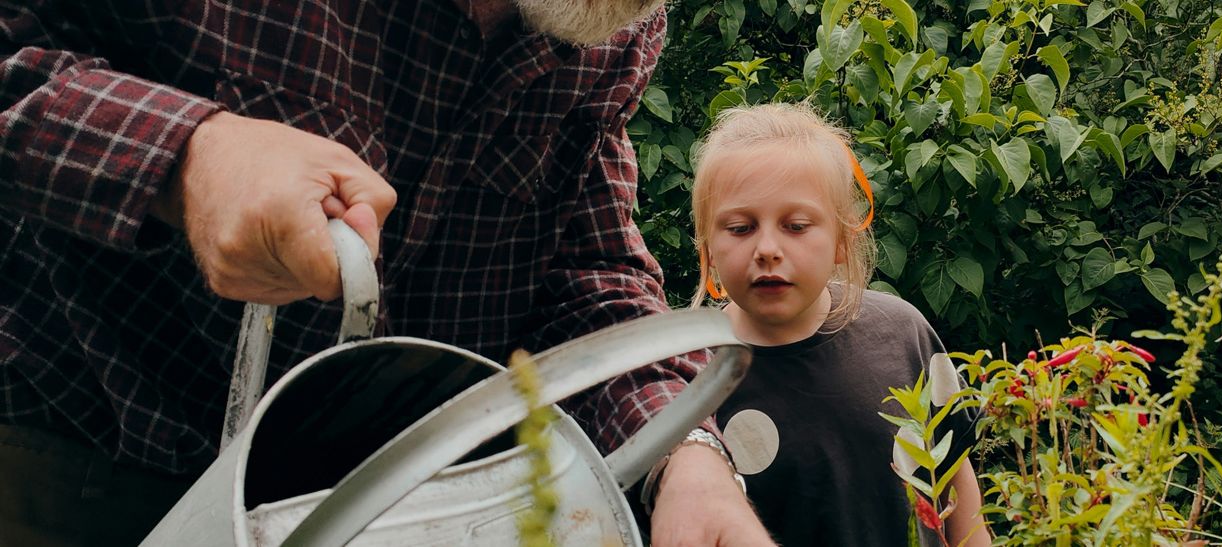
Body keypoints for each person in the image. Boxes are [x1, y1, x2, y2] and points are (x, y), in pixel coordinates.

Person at [0, 1, 771, 545]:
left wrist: (686, 458)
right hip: (72, 465)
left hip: (382, 511)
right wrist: (187, 158)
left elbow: (583, 260)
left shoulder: (607, 26)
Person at [687, 103, 991, 546]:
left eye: (796, 225)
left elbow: (957, 483)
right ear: (708, 246)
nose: (767, 248)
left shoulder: (902, 334)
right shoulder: (691, 375)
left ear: (841, 242)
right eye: (740, 227)